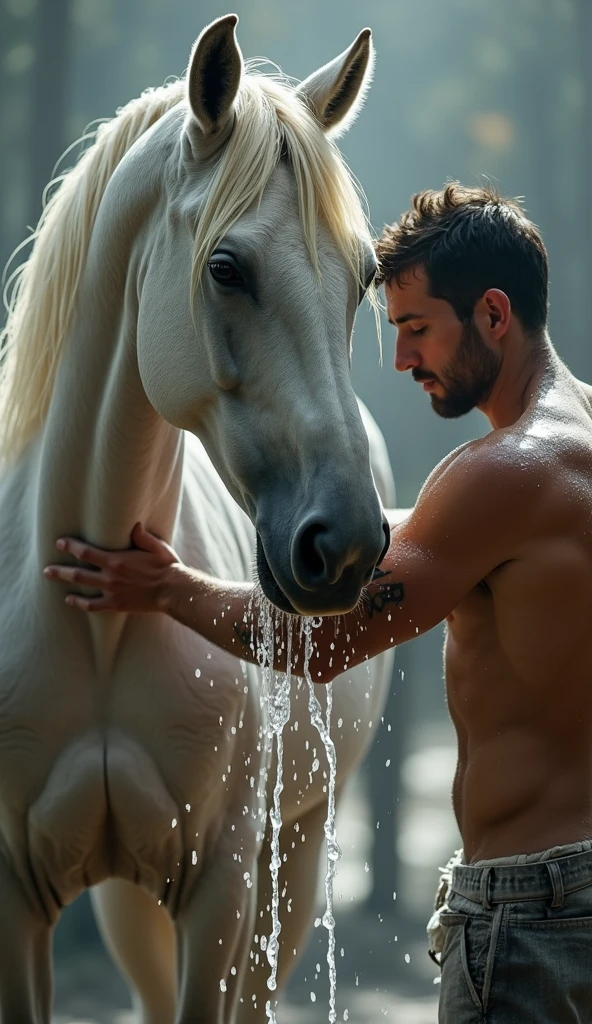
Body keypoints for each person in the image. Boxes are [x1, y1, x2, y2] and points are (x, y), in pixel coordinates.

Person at [44, 183, 592, 1022]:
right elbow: (444, 539)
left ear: (492, 313)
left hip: (530, 915)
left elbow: (321, 646)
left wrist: (166, 587)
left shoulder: (501, 473)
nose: (403, 360)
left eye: (416, 329)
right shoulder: (569, 447)